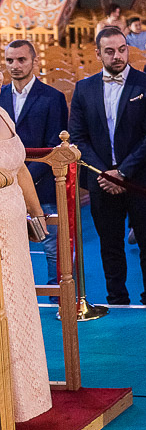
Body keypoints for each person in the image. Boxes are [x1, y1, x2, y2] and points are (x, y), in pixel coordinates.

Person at [69, 27, 146, 306]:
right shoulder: (83, 89)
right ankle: (117, 299)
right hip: (101, 180)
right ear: (98, 53)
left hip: (142, 178)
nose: (117, 56)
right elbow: (78, 137)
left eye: (122, 49)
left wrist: (122, 173)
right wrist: (104, 173)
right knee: (110, 245)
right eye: (110, 51)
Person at [0, 103, 52, 423]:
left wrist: (38, 213)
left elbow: (20, 168)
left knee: (19, 305)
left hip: (15, 222)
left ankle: (26, 399)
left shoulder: (3, 113)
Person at [2, 39, 67, 284]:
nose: (15, 65)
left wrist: (24, 177)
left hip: (43, 186)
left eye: (21, 60)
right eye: (10, 60)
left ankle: (57, 301)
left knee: (52, 248)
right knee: (11, 252)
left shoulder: (53, 97)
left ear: (34, 61)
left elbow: (53, 144)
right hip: (6, 188)